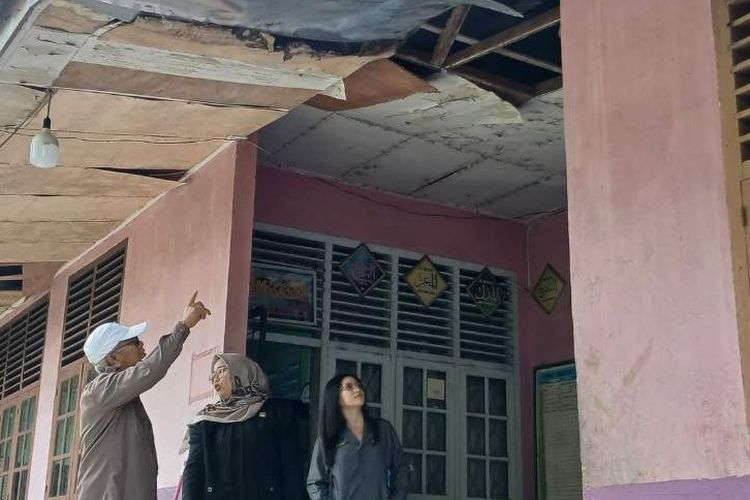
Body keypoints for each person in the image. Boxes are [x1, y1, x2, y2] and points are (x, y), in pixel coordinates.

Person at [76, 291, 211, 500]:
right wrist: (183, 326)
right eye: (134, 341)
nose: (141, 345)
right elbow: (151, 369)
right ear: (113, 359)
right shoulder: (99, 391)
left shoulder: (121, 394)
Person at [181, 353, 307, 500]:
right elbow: (194, 472)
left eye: (222, 370)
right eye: (213, 375)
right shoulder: (206, 421)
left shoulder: (276, 413)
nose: (216, 378)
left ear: (242, 372)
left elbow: (291, 469)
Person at [307, 374, 410, 500]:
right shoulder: (328, 438)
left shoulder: (383, 430)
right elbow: (315, 483)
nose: (357, 389)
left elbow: (401, 469)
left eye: (359, 385)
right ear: (336, 397)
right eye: (348, 387)